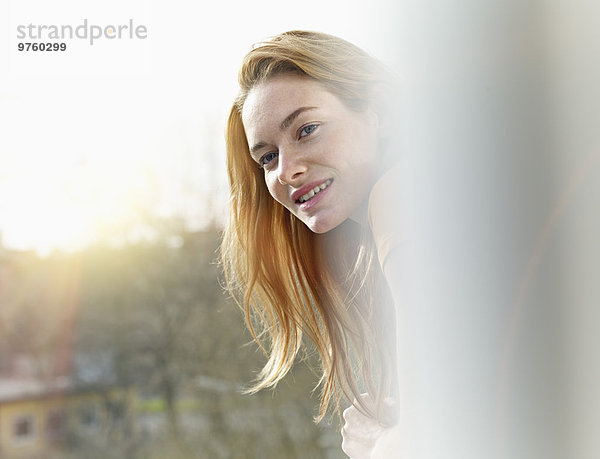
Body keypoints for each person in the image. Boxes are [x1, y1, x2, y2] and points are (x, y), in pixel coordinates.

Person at [220, 30, 401, 457]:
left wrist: (381, 446)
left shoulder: (400, 197)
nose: (285, 171)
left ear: (381, 111)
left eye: (307, 129)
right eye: (267, 157)